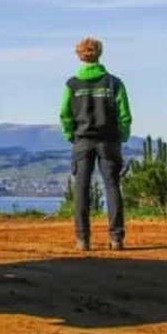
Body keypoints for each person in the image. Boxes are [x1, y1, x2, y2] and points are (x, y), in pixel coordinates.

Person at [59, 37, 132, 251]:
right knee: (112, 187)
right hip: (109, 141)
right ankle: (116, 238)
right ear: (99, 53)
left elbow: (64, 114)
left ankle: (82, 240)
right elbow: (124, 114)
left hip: (82, 141)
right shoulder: (113, 83)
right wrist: (123, 135)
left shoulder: (72, 84)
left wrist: (71, 136)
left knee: (81, 188)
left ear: (79, 55)